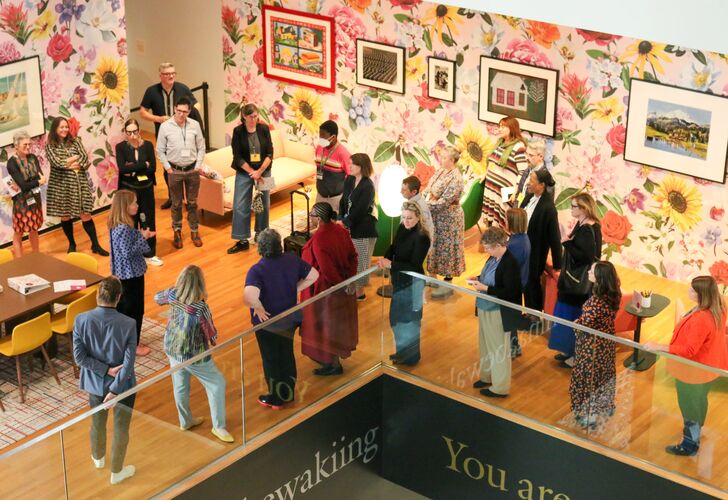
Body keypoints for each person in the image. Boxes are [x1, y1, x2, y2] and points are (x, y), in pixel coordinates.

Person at [645, 276, 728, 456]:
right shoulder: (719, 308)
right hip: (707, 369)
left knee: (689, 406)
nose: (688, 291)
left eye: (692, 290)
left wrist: (659, 346)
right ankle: (697, 429)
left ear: (702, 295)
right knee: (699, 401)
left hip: (692, 371)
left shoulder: (701, 319)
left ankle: (689, 444)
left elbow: (689, 350)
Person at [154, 265, 233, 443]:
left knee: (180, 385)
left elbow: (156, 298)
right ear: (200, 285)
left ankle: (185, 421)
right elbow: (211, 332)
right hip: (194, 354)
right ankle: (218, 427)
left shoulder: (172, 295)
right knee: (216, 384)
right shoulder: (200, 308)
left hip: (172, 347)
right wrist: (214, 339)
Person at [244, 229, 319, 409]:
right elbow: (313, 275)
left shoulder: (257, 270)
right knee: (286, 354)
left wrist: (259, 307)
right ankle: (288, 393)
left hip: (268, 324)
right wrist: (295, 289)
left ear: (260, 249)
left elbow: (249, 296)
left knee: (271, 359)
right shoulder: (292, 259)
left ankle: (276, 397)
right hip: (290, 318)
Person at [72, 276, 137, 485]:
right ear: (119, 297)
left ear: (98, 295)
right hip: (124, 385)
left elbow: (80, 358)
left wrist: (104, 370)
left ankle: (98, 458)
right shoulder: (128, 323)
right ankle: (117, 471)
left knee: (97, 422)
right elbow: (128, 364)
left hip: (95, 384)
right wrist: (116, 389)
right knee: (121, 428)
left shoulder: (81, 320)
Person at [300, 203, 359, 375]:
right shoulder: (341, 230)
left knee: (325, 326)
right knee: (338, 325)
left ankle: (331, 363)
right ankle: (334, 359)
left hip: (326, 290)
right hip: (344, 285)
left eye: (312, 216)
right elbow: (353, 256)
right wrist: (349, 280)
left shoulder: (319, 238)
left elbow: (326, 269)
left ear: (318, 219)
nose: (311, 219)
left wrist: (339, 284)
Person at [468, 227, 522, 398]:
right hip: (485, 307)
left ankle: (500, 387)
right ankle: (487, 376)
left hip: (497, 311)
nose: (486, 250)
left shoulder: (510, 263)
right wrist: (478, 278)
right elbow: (492, 277)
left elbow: (510, 291)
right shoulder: (493, 258)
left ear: (499, 245)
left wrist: (484, 287)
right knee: (485, 344)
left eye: (489, 247)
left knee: (498, 348)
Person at [550, 193, 602, 367]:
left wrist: (566, 242)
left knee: (573, 317)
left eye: (574, 206)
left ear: (584, 208)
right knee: (572, 317)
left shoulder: (587, 228)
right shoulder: (587, 225)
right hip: (577, 282)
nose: (571, 209)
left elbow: (585, 257)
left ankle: (574, 355)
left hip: (576, 284)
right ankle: (569, 351)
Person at [140, 62, 200, 209]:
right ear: (160, 76)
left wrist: (185, 115)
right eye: (167, 74)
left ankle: (187, 199)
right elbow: (142, 112)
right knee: (168, 167)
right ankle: (173, 197)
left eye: (173, 73)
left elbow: (196, 105)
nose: (171, 76)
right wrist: (159, 119)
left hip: (184, 134)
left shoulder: (183, 88)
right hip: (164, 135)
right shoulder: (151, 91)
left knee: (186, 165)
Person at [45, 116, 108, 256]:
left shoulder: (75, 141)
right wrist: (72, 160)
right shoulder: (50, 145)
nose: (64, 129)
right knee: (66, 216)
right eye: (61, 127)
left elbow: (85, 158)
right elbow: (57, 163)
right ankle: (72, 244)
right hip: (61, 187)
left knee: (85, 214)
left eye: (66, 126)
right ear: (55, 128)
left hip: (80, 185)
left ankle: (95, 245)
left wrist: (70, 161)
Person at [377, 202, 431, 366]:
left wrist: (391, 264)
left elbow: (415, 265)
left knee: (411, 321)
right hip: (400, 281)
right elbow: (393, 247)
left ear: (418, 218)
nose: (406, 221)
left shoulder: (422, 237)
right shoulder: (402, 228)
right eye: (404, 217)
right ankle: (401, 352)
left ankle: (411, 356)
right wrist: (384, 258)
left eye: (410, 218)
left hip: (413, 284)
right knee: (397, 318)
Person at [569, 261, 621, 429]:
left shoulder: (596, 303)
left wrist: (576, 322)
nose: (588, 272)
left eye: (592, 271)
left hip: (592, 348)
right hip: (606, 344)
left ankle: (591, 416)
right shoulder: (612, 294)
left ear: (600, 278)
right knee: (604, 376)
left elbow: (584, 325)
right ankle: (604, 407)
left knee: (589, 379)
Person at [108, 190, 155, 357]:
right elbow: (127, 252)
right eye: (133, 203)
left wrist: (142, 235)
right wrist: (143, 238)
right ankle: (132, 345)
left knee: (124, 309)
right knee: (134, 310)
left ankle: (125, 341)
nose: (136, 205)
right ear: (125, 207)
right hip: (131, 274)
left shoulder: (117, 224)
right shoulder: (123, 228)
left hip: (122, 274)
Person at [156, 96, 206, 249]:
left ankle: (194, 230)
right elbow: (159, 150)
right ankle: (177, 231)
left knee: (192, 203)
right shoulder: (165, 127)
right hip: (175, 170)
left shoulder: (195, 125)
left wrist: (197, 165)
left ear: (189, 111)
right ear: (174, 109)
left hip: (192, 169)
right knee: (176, 204)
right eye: (179, 111)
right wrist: (168, 168)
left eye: (185, 111)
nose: (181, 114)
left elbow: (201, 147)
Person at [115, 118, 162, 266]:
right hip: (129, 190)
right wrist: (142, 165)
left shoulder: (147, 145)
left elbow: (153, 168)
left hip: (146, 189)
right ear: (125, 133)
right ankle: (132, 254)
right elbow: (123, 169)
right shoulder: (121, 147)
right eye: (129, 132)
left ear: (139, 131)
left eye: (135, 132)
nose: (132, 135)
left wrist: (133, 168)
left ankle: (150, 253)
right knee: (131, 221)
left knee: (148, 219)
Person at [228, 104, 273, 254]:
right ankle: (242, 240)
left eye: (255, 116)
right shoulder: (238, 132)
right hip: (244, 172)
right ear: (244, 117)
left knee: (264, 204)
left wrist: (260, 172)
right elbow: (237, 157)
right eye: (250, 117)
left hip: (264, 171)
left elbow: (270, 153)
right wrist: (252, 172)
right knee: (240, 205)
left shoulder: (264, 129)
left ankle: (261, 234)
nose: (253, 120)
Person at [425, 145, 465, 299]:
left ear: (452, 160)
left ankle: (447, 283)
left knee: (448, 248)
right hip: (435, 216)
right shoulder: (441, 171)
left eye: (444, 158)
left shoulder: (456, 178)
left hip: (449, 219)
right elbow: (430, 188)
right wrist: (425, 198)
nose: (441, 159)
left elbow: (444, 202)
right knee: (434, 245)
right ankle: (433, 277)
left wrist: (424, 205)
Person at [520, 169, 561, 314]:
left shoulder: (548, 208)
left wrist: (558, 263)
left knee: (531, 283)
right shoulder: (530, 196)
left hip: (534, 252)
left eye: (532, 181)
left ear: (542, 185)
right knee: (522, 281)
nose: (528, 184)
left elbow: (554, 237)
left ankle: (534, 315)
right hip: (522, 247)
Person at [339, 153, 378, 300]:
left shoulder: (368, 186)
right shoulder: (349, 179)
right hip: (349, 225)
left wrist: (345, 222)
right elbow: (343, 201)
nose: (348, 166)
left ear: (361, 167)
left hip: (363, 229)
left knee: (361, 261)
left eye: (352, 164)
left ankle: (360, 291)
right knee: (349, 259)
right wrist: (340, 217)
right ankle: (350, 287)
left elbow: (360, 210)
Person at [482, 116, 527, 227]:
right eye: (499, 126)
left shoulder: (519, 147)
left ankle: (502, 244)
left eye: (503, 126)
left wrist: (517, 191)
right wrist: (485, 174)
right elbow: (492, 162)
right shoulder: (499, 143)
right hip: (492, 190)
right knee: (490, 222)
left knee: (502, 223)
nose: (500, 129)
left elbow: (524, 172)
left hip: (505, 193)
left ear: (512, 128)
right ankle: (492, 243)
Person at [7, 130, 44, 257]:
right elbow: (23, 186)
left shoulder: (33, 157)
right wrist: (37, 181)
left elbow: (41, 177)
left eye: (29, 144)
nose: (28, 147)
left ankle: (36, 256)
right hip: (21, 202)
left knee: (34, 229)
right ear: (16, 146)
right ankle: (20, 261)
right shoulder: (12, 163)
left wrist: (35, 182)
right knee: (19, 232)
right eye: (25, 145)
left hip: (35, 198)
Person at [505, 208, 530, 358]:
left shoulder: (514, 245)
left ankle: (512, 348)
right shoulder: (522, 239)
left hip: (512, 286)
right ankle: (514, 346)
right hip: (519, 283)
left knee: (508, 318)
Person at [315, 120, 351, 212]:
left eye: (323, 136)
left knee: (333, 225)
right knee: (316, 222)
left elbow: (351, 177)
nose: (320, 138)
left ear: (333, 137)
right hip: (320, 195)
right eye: (320, 135)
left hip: (335, 199)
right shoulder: (319, 148)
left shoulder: (343, 154)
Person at [510, 137, 552, 206]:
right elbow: (521, 192)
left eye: (530, 155)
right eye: (526, 154)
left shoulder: (546, 178)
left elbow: (544, 206)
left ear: (541, 157)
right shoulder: (527, 169)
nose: (526, 158)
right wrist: (517, 207)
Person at [400, 175, 434, 244]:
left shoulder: (420, 207)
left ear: (414, 192)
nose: (400, 191)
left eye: (404, 190)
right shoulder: (411, 203)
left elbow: (426, 232)